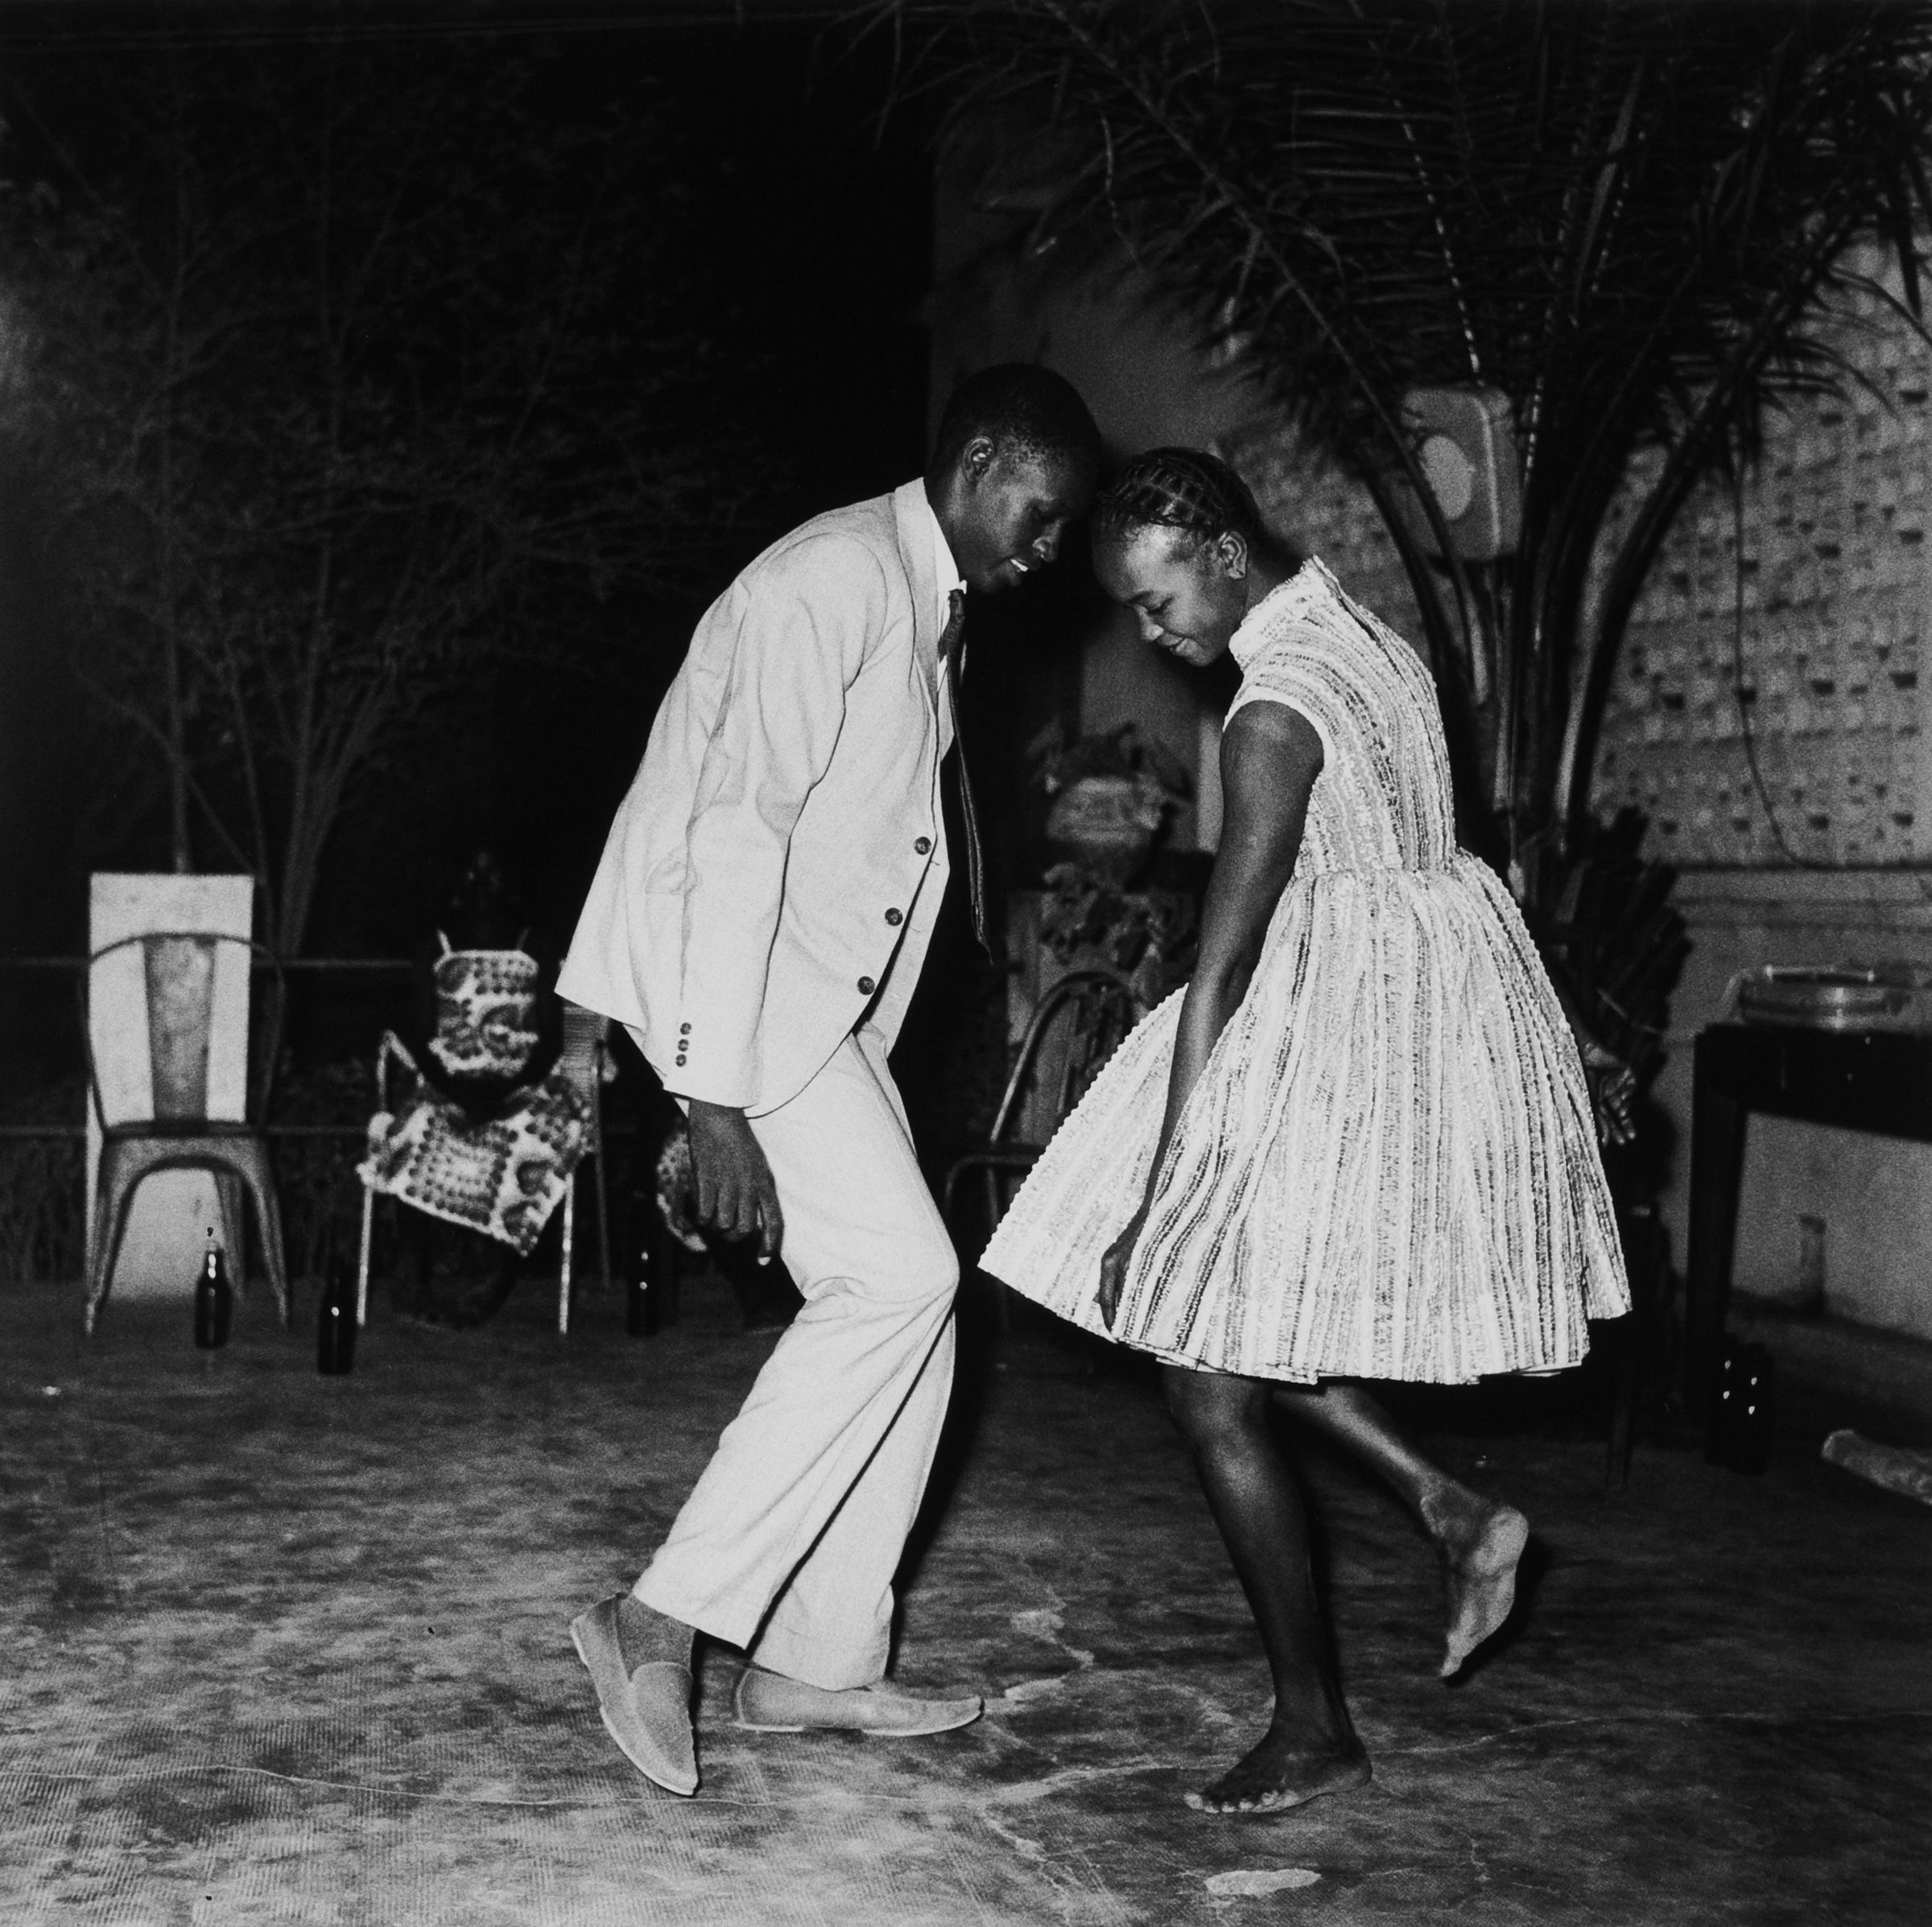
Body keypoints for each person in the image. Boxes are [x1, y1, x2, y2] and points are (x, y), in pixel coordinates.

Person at [981, 448, 1629, 1817]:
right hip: (1417, 1004)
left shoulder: (1271, 710)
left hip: (1328, 1031)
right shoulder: (1364, 628)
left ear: (1222, 552)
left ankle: (1315, 1719)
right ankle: (1449, 1507)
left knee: (1202, 1367)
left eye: (1159, 604)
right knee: (1239, 1331)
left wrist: (1160, 1199)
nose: (1156, 634)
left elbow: (1218, 969)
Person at [557, 365, 1104, 1797]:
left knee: (921, 1309)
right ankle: (654, 1616)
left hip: (819, 1013)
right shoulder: (836, 578)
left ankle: (819, 1665)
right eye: (1041, 517)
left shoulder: (920, 600)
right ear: (981, 461)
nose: (1048, 552)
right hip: (748, 1006)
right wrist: (710, 1094)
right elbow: (733, 832)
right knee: (906, 1281)